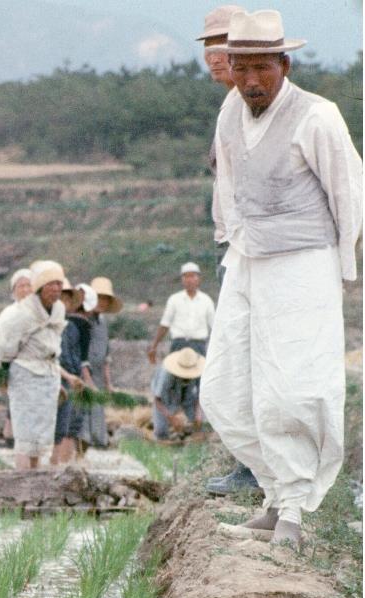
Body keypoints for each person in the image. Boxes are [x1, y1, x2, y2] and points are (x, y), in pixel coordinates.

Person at [203, 10, 362, 546]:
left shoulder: (317, 116)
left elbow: (349, 194)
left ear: (283, 64)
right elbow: (226, 180)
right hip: (247, 259)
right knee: (225, 386)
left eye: (261, 70)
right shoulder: (231, 110)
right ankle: (274, 495)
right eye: (241, 67)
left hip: (303, 261)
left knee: (293, 387)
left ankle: (294, 511)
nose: (250, 81)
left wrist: (345, 268)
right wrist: (230, 237)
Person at [199, 4, 256, 497]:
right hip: (236, 248)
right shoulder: (231, 108)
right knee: (237, 362)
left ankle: (256, 467)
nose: (213, 57)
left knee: (246, 359)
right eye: (208, 48)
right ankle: (251, 463)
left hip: (253, 251)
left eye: (223, 46)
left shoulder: (254, 108)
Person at [0, 261, 70, 469]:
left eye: (58, 284)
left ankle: (35, 476)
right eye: (50, 285)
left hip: (48, 375)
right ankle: (22, 477)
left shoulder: (58, 310)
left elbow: (54, 343)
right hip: (26, 373)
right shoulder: (20, 314)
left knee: (42, 433)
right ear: (40, 288)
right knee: (25, 432)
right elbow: (6, 349)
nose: (55, 289)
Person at [53, 282, 94, 465]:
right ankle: (57, 463)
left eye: (69, 298)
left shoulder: (70, 325)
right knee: (63, 425)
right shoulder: (67, 325)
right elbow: (64, 357)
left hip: (70, 376)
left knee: (68, 425)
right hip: (63, 377)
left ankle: (62, 464)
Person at [79, 277, 122, 451]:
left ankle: (96, 445)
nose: (102, 302)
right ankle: (81, 450)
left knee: (97, 411)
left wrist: (108, 383)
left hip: (97, 374)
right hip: (83, 373)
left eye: (105, 299)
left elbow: (106, 355)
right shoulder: (83, 320)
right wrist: (87, 380)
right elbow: (82, 356)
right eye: (99, 298)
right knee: (83, 413)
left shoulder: (102, 322)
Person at [147, 263, 216, 363]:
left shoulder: (207, 300)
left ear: (198, 279)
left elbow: (214, 327)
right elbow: (165, 325)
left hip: (198, 347)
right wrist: (154, 346)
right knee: (167, 376)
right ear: (182, 280)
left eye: (192, 276)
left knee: (202, 377)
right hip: (178, 346)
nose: (189, 280)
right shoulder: (174, 299)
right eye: (186, 276)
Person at [0, 268, 35, 445]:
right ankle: (11, 438)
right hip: (16, 365)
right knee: (15, 404)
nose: (26, 289)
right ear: (14, 290)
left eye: (29, 285)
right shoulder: (9, 314)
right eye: (21, 286)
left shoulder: (40, 313)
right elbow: (4, 344)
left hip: (37, 367)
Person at [151, 347, 204, 442]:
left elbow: (200, 395)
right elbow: (157, 400)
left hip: (188, 396)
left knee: (200, 424)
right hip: (167, 399)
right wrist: (171, 418)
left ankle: (189, 438)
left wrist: (198, 412)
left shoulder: (198, 373)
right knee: (161, 432)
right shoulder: (166, 375)